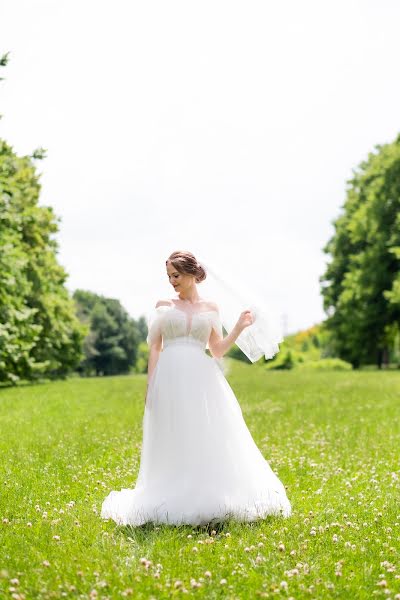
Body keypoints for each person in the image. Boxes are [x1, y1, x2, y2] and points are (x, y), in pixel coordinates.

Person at [100, 250, 292, 526]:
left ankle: (207, 492)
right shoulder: (164, 305)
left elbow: (217, 350)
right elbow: (155, 347)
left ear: (191, 274)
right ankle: (172, 491)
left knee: (206, 432)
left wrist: (238, 327)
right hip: (169, 375)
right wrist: (150, 386)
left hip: (202, 378)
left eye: (176, 275)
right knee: (174, 432)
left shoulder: (211, 308)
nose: (172, 281)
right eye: (168, 276)